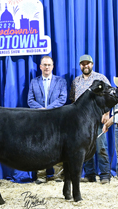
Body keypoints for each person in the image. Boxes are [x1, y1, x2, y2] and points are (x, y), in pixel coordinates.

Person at [69, 54, 111, 184]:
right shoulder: (76, 81)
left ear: (92, 64)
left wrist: (107, 113)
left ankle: (105, 175)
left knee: (101, 147)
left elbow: (110, 96)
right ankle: (90, 175)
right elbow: (73, 100)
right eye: (83, 63)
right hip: (81, 122)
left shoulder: (100, 78)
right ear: (80, 65)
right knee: (85, 149)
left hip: (97, 119)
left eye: (88, 63)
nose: (85, 65)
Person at [27, 55, 67, 184]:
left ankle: (59, 176)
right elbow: (30, 100)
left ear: (53, 66)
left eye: (49, 65)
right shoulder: (34, 82)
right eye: (44, 65)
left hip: (56, 118)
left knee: (58, 146)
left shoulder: (61, 81)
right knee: (39, 146)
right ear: (40, 67)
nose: (47, 67)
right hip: (38, 119)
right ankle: (41, 176)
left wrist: (49, 109)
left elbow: (62, 98)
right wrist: (41, 110)